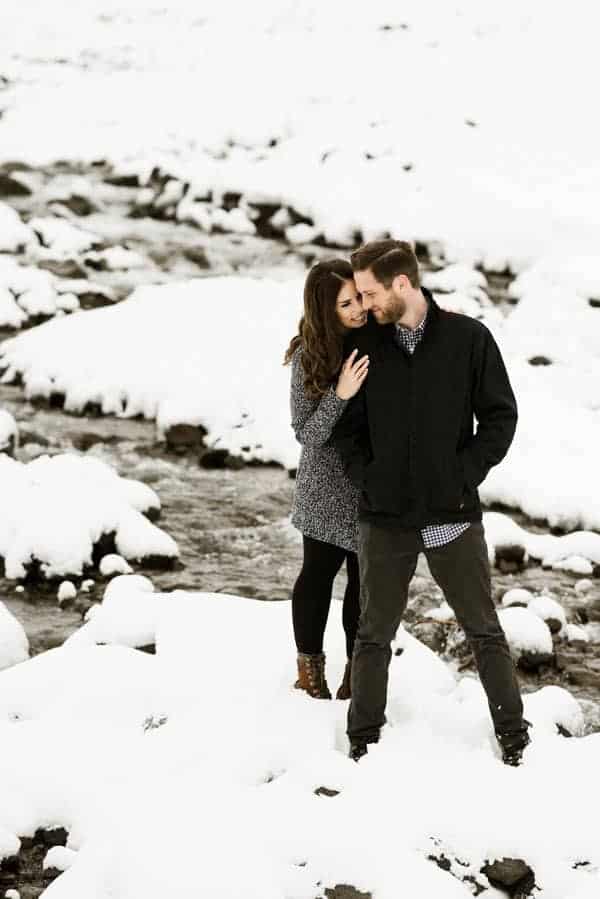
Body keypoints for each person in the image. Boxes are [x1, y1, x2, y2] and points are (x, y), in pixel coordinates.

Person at [332, 239, 530, 766]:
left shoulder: (469, 339)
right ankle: (363, 739)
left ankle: (514, 734)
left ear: (403, 284)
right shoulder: (366, 348)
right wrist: (369, 478)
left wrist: (463, 475)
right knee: (372, 633)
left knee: (484, 630)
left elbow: (500, 418)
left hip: (452, 515)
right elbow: (347, 429)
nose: (365, 304)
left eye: (371, 293)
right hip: (385, 516)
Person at [284, 259, 370, 701]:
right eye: (346, 303)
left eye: (359, 297)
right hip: (323, 489)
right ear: (324, 309)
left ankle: (358, 673)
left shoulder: (376, 340)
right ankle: (309, 672)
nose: (358, 308)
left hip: (370, 486)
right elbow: (306, 433)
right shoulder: (308, 355)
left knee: (364, 586)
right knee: (317, 579)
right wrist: (340, 395)